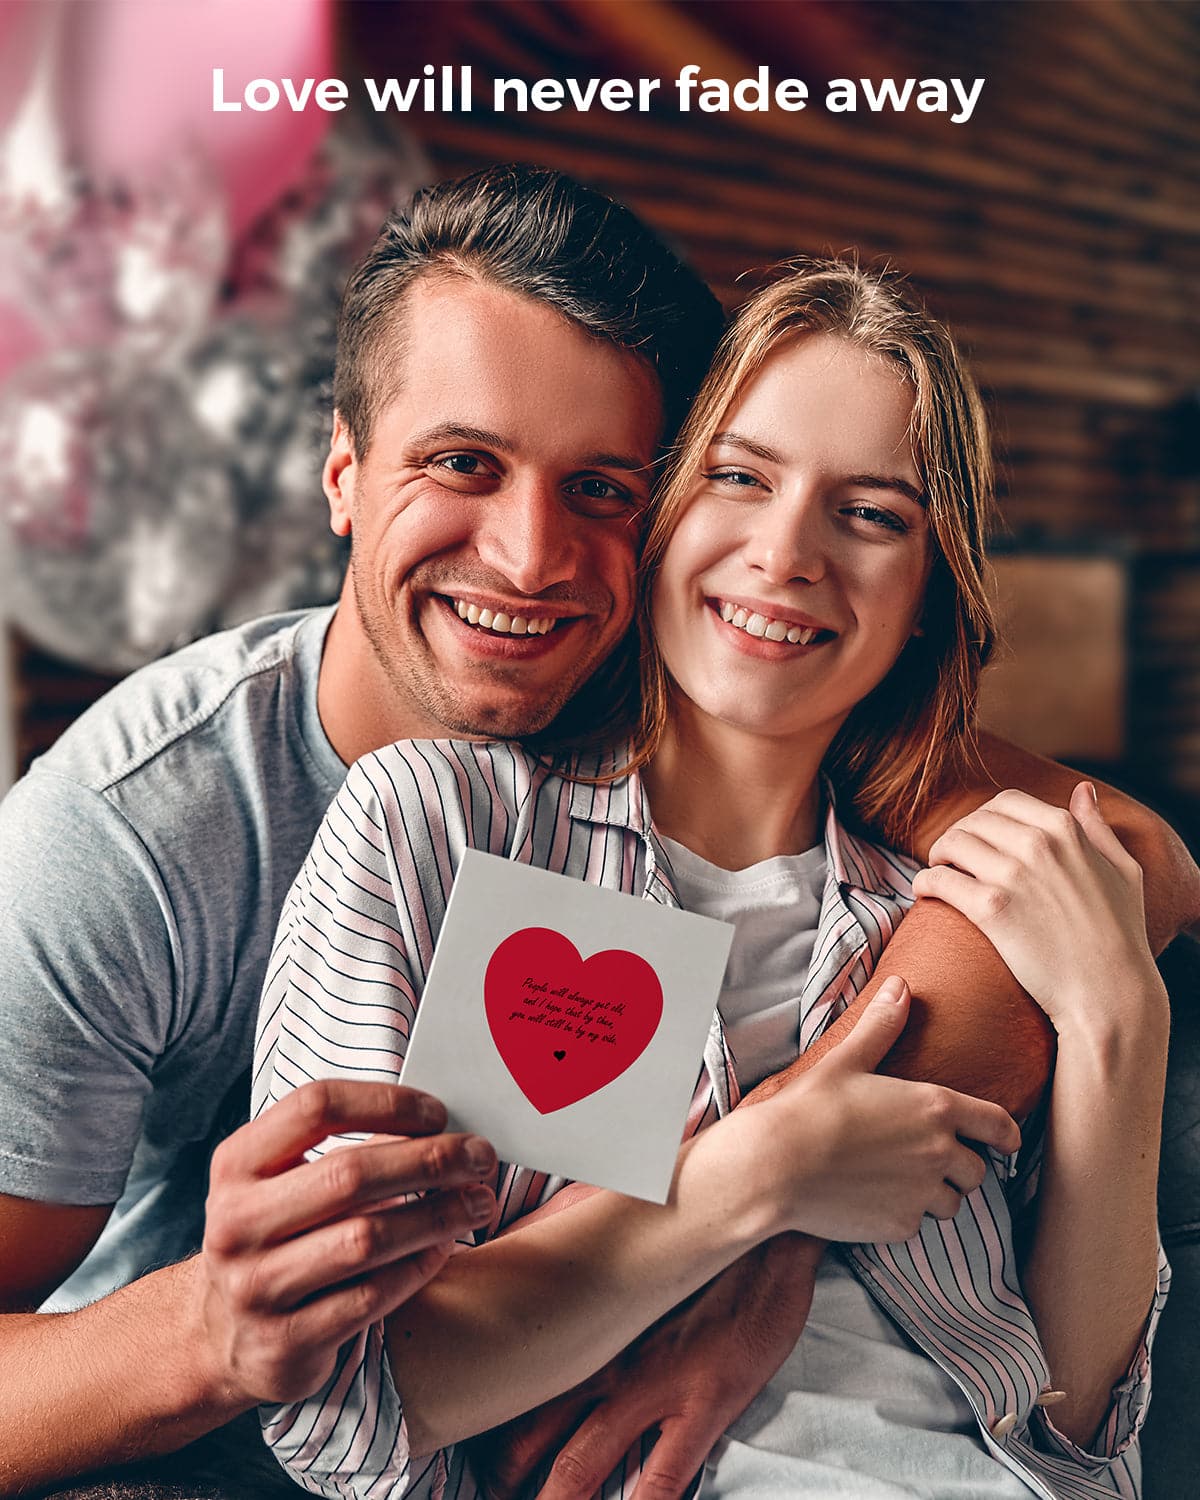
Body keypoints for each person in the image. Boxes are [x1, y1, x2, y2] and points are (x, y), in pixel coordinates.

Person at [0, 168, 1192, 1496]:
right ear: (342, 470)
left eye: (604, 489)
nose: (527, 558)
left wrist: (788, 1234)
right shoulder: (172, 830)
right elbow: (386, 1390)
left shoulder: (886, 825)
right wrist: (213, 1336)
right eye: (464, 463)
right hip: (178, 1419)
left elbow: (1129, 854)